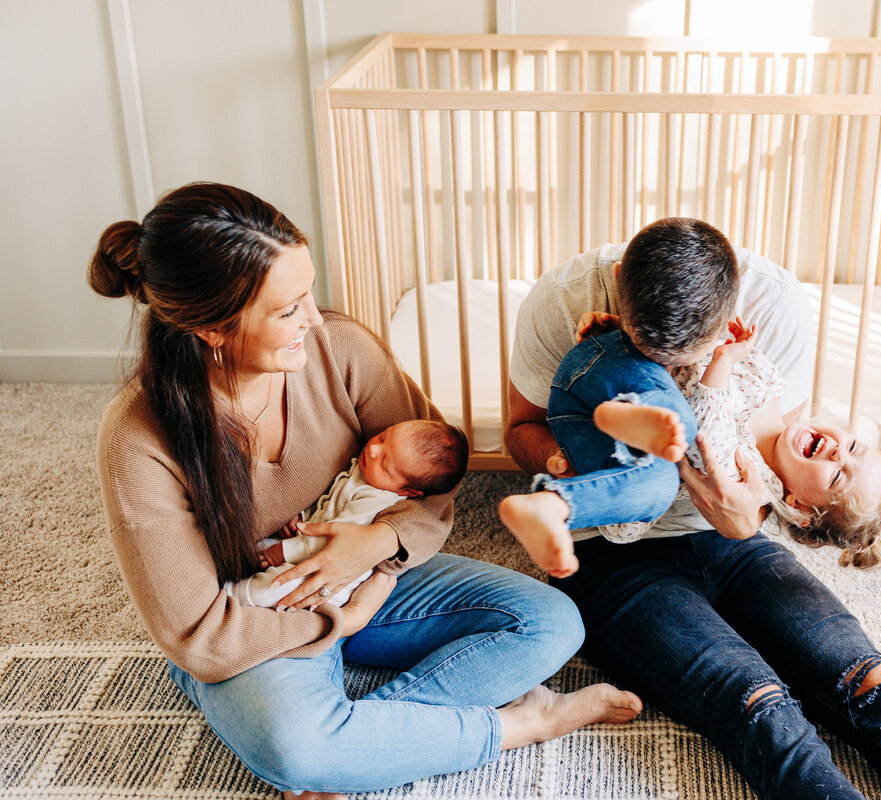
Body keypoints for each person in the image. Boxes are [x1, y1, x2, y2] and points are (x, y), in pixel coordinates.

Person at [89, 182, 641, 800]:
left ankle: (361, 744)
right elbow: (199, 636)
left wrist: (377, 542)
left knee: (553, 622)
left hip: (370, 579)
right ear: (213, 330)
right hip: (256, 616)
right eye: (287, 309)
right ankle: (515, 726)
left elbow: (434, 488)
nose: (314, 320)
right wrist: (337, 618)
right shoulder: (140, 438)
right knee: (298, 746)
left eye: (309, 293)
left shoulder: (341, 349)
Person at [503, 217, 881, 800]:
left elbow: (776, 463)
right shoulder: (562, 301)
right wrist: (584, 472)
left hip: (733, 542)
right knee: (758, 703)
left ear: (728, 317)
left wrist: (750, 519)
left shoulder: (772, 307)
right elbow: (521, 430)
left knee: (873, 684)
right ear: (621, 282)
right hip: (611, 551)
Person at [498, 312, 881, 579]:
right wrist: (628, 332)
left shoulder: (747, 477)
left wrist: (724, 358)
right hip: (601, 370)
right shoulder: (770, 386)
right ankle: (629, 408)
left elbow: (705, 433)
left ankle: (554, 503)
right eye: (854, 447)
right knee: (667, 414)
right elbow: (686, 351)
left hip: (584, 418)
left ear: (796, 505)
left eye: (837, 475)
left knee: (652, 486)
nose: (837, 451)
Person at [228, 419, 469, 608]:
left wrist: (283, 552)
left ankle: (232, 597)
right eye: (383, 437)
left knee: (277, 588)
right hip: (305, 546)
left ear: (407, 491)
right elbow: (328, 502)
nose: (373, 449)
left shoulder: (375, 501)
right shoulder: (364, 470)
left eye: (385, 464)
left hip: (331, 576)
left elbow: (332, 544)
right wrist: (302, 517)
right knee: (249, 548)